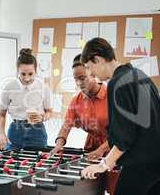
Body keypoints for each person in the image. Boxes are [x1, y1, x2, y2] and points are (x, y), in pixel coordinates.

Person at [80, 37, 160, 195]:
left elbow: (124, 136)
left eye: (90, 67)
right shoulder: (139, 74)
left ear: (98, 59)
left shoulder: (117, 83)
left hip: (140, 164)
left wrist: (103, 165)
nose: (91, 74)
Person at [50, 54, 110, 160]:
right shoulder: (76, 100)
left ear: (93, 74)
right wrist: (59, 144)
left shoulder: (111, 96)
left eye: (82, 78)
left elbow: (122, 133)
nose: (79, 83)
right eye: (76, 79)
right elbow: (66, 126)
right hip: (91, 149)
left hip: (113, 148)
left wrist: (101, 150)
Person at [0, 48, 52, 150]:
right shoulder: (9, 87)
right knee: (12, 163)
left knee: (38, 164)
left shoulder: (43, 87)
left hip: (37, 131)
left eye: (30, 74)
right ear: (17, 71)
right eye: (23, 74)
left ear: (36, 71)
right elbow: (1, 114)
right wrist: (2, 134)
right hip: (15, 132)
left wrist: (43, 117)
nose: (27, 78)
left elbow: (49, 111)